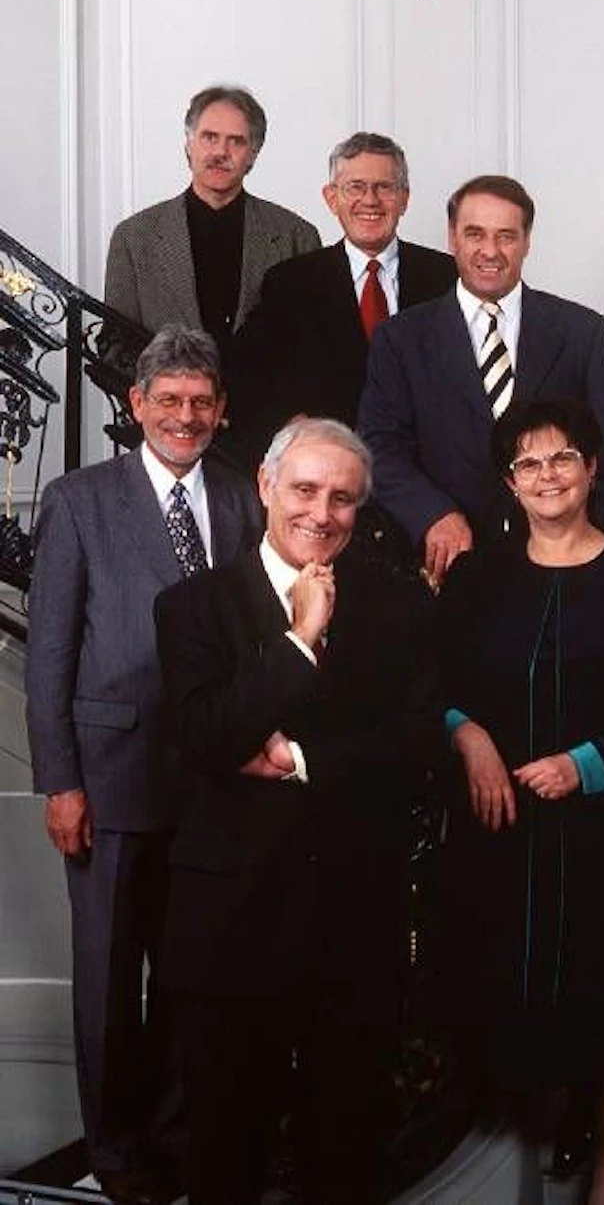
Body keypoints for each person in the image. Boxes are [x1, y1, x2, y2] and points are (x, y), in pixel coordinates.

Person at [153, 418, 439, 1205]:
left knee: (343, 1154)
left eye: (343, 498)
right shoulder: (193, 607)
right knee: (223, 1153)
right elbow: (204, 736)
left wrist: (301, 760)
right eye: (305, 490)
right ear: (266, 488)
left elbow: (418, 745)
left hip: (353, 926)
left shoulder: (401, 608)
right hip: (230, 925)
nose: (322, 513)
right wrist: (300, 636)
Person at [439, 399, 604, 1205]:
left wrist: (588, 765)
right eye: (527, 464)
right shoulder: (479, 575)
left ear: (591, 469)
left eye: (562, 459)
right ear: (508, 483)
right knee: (515, 998)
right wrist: (467, 735)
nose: (546, 476)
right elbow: (436, 681)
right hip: (504, 831)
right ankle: (531, 1154)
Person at [25, 326, 261, 1204]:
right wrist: (61, 780)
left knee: (195, 974)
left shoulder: (244, 500)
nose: (186, 416)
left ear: (222, 410)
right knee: (110, 977)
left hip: (215, 780)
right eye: (169, 400)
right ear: (137, 406)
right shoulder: (81, 499)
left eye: (202, 402)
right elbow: (50, 652)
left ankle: (177, 1135)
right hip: (111, 774)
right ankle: (117, 1149)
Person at [359, 175, 604, 587]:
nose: (490, 251)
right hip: (443, 568)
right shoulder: (401, 338)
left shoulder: (581, 332)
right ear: (452, 239)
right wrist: (433, 515)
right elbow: (378, 447)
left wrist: (597, 555)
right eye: (475, 234)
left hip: (561, 567)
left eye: (506, 236)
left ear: (527, 242)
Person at [224, 132, 456, 470]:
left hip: (427, 473)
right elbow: (247, 376)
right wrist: (289, 424)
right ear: (332, 198)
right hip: (327, 477)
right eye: (355, 187)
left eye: (384, 187)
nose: (370, 200)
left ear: (404, 199)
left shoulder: (447, 279)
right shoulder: (290, 283)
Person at [103, 85, 320, 355]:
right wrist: (160, 398)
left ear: (254, 153)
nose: (220, 151)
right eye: (209, 137)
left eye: (236, 141)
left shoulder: (297, 237)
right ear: (188, 144)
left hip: (268, 399)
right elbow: (115, 348)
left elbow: (313, 348)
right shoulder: (134, 238)